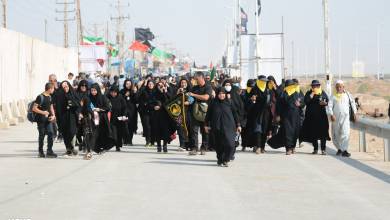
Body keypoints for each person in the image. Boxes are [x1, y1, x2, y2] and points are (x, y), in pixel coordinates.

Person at [205, 87, 241, 167]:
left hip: (229, 127)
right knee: (219, 145)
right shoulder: (213, 103)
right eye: (220, 94)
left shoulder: (230, 102)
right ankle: (220, 159)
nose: (221, 95)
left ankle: (227, 158)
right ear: (217, 94)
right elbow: (208, 115)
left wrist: (238, 125)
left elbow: (235, 114)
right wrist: (206, 125)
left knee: (230, 144)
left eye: (223, 93)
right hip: (217, 127)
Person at [268, 79, 305, 155]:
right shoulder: (283, 94)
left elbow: (303, 103)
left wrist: (300, 104)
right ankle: (288, 148)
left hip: (296, 117)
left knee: (295, 132)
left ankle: (293, 147)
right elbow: (279, 105)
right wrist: (278, 115)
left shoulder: (298, 93)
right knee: (287, 132)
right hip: (286, 117)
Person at [327, 80, 357, 157]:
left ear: (343, 87)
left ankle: (344, 150)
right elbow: (329, 106)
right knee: (336, 134)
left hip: (346, 117)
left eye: (340, 87)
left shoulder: (348, 95)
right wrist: (331, 114)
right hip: (335, 118)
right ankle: (339, 149)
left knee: (346, 133)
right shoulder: (333, 95)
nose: (339, 88)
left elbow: (353, 103)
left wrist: (355, 113)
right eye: (337, 87)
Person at [301, 80, 331, 155]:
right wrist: (311, 95)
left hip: (321, 117)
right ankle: (315, 149)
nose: (315, 87)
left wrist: (325, 103)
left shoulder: (322, 93)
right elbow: (305, 102)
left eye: (317, 86)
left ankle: (323, 149)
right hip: (311, 117)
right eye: (314, 86)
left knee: (323, 133)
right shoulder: (309, 93)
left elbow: (327, 101)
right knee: (313, 133)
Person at [188, 71, 213, 156]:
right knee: (194, 130)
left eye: (196, 79)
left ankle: (204, 148)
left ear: (201, 78)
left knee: (204, 130)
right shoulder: (194, 88)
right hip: (195, 112)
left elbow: (206, 97)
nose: (195, 80)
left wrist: (194, 95)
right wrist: (189, 98)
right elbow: (190, 99)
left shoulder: (208, 87)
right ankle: (194, 148)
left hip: (205, 113)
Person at [247, 75, 272, 154]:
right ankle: (258, 146)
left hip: (266, 114)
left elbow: (270, 101)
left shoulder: (268, 90)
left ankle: (262, 147)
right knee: (258, 130)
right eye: (262, 81)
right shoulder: (254, 90)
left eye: (265, 81)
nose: (263, 82)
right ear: (258, 81)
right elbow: (248, 101)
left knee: (264, 130)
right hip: (256, 113)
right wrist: (252, 100)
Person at [32, 83, 58, 158]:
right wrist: (43, 112)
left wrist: (53, 115)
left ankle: (49, 151)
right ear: (50, 89)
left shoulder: (49, 97)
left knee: (51, 133)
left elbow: (51, 106)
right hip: (40, 120)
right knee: (42, 135)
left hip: (48, 119)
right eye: (53, 89)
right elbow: (34, 108)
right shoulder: (40, 97)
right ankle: (40, 152)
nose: (53, 90)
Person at [150, 82, 176, 153]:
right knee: (157, 130)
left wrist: (164, 92)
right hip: (156, 115)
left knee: (166, 131)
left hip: (165, 115)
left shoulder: (166, 93)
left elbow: (170, 100)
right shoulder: (154, 94)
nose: (160, 86)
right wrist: (154, 107)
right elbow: (150, 103)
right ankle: (158, 146)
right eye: (159, 85)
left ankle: (165, 145)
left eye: (162, 85)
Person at [57, 81, 81, 156]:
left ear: (69, 86)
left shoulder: (73, 93)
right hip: (63, 116)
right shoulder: (60, 96)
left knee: (72, 131)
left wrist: (72, 104)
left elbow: (78, 104)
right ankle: (69, 149)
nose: (65, 88)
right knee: (65, 132)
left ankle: (72, 147)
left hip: (72, 116)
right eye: (63, 87)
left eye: (66, 86)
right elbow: (58, 107)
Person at [89, 83, 113, 153]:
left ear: (98, 90)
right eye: (92, 90)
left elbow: (107, 107)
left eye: (94, 90)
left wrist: (99, 109)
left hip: (102, 118)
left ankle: (105, 147)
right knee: (94, 133)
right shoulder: (89, 97)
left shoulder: (103, 97)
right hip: (93, 118)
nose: (93, 92)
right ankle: (95, 148)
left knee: (103, 133)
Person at [107, 86, 129, 152]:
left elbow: (125, 107)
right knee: (113, 133)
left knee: (119, 133)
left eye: (114, 92)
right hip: (111, 118)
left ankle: (118, 146)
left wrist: (124, 115)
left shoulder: (121, 98)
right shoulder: (107, 97)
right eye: (112, 92)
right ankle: (111, 144)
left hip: (119, 118)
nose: (113, 94)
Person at [138, 80, 156, 147]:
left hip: (153, 111)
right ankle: (147, 141)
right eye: (149, 84)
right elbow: (138, 96)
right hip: (145, 111)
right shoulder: (144, 91)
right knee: (146, 127)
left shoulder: (155, 91)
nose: (150, 85)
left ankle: (153, 141)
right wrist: (143, 86)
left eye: (152, 83)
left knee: (153, 126)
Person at [120, 79, 138, 145]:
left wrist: (135, 93)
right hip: (123, 111)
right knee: (124, 125)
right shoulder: (122, 91)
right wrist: (125, 96)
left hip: (132, 111)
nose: (128, 85)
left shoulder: (133, 91)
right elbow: (120, 100)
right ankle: (125, 139)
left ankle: (130, 140)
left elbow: (136, 100)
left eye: (129, 83)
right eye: (127, 83)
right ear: (125, 84)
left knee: (131, 126)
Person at [240, 79, 255, 152]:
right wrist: (250, 100)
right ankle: (244, 145)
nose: (251, 88)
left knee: (253, 131)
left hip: (253, 115)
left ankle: (254, 145)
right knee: (244, 131)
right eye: (250, 86)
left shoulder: (256, 93)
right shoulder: (244, 93)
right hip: (245, 115)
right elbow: (243, 103)